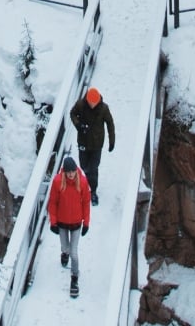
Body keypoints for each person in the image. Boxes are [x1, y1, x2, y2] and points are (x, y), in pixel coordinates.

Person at [47, 155, 91, 298]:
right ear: (65, 172)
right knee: (65, 247)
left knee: (74, 253)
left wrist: (86, 223)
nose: (71, 174)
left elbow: (86, 203)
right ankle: (63, 253)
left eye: (73, 171)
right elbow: (53, 202)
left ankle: (74, 279)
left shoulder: (82, 182)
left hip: (77, 223)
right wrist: (53, 222)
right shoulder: (58, 182)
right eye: (69, 172)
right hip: (62, 222)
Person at [69, 86, 115, 206]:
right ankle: (86, 185)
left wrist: (112, 141)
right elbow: (72, 114)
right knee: (84, 166)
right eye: (90, 102)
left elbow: (110, 123)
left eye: (94, 103)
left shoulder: (104, 109)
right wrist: (78, 125)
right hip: (83, 141)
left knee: (93, 168)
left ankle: (93, 191)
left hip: (97, 143)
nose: (92, 105)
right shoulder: (80, 105)